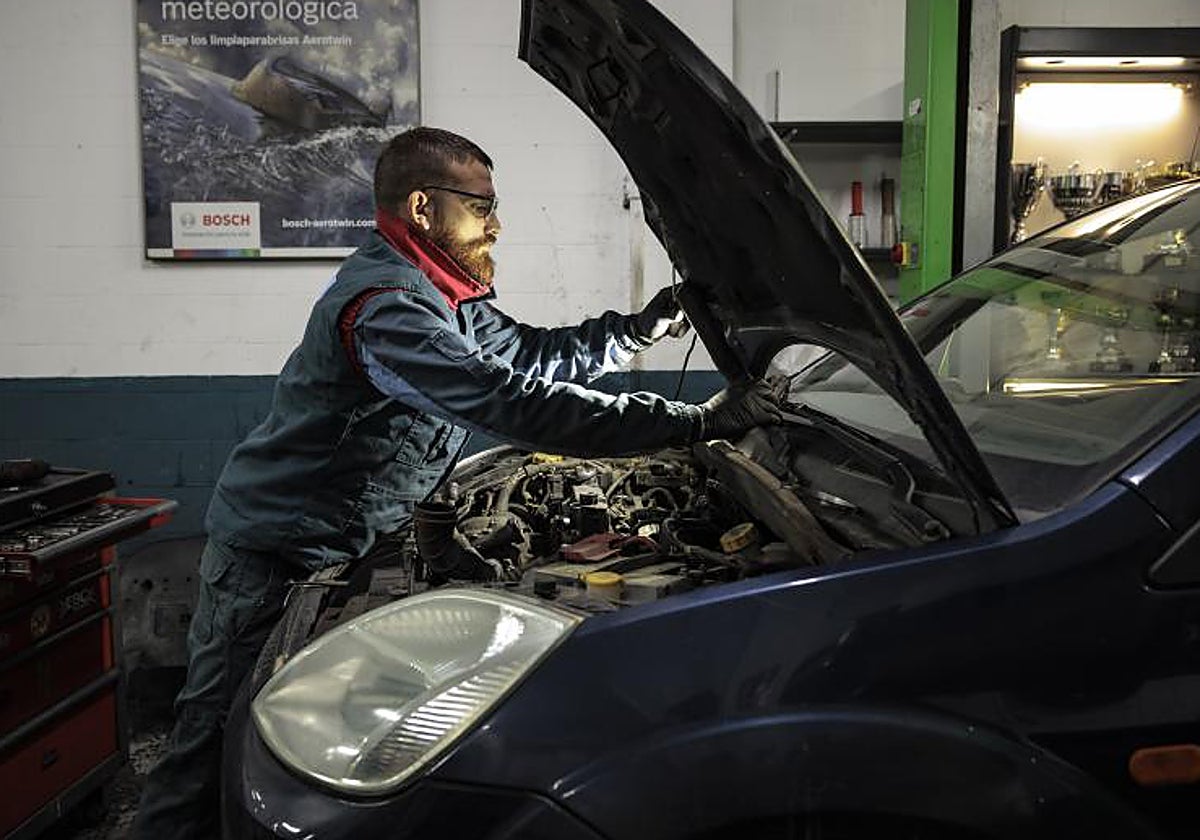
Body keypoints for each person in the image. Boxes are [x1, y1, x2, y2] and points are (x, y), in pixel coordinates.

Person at [133, 126, 782, 839]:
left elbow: (531, 356)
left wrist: (640, 328)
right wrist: (691, 421)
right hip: (275, 557)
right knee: (209, 743)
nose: (495, 225)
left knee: (307, 736)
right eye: (481, 207)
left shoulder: (448, 299)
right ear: (422, 207)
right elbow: (507, 402)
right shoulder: (385, 307)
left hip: (344, 546)